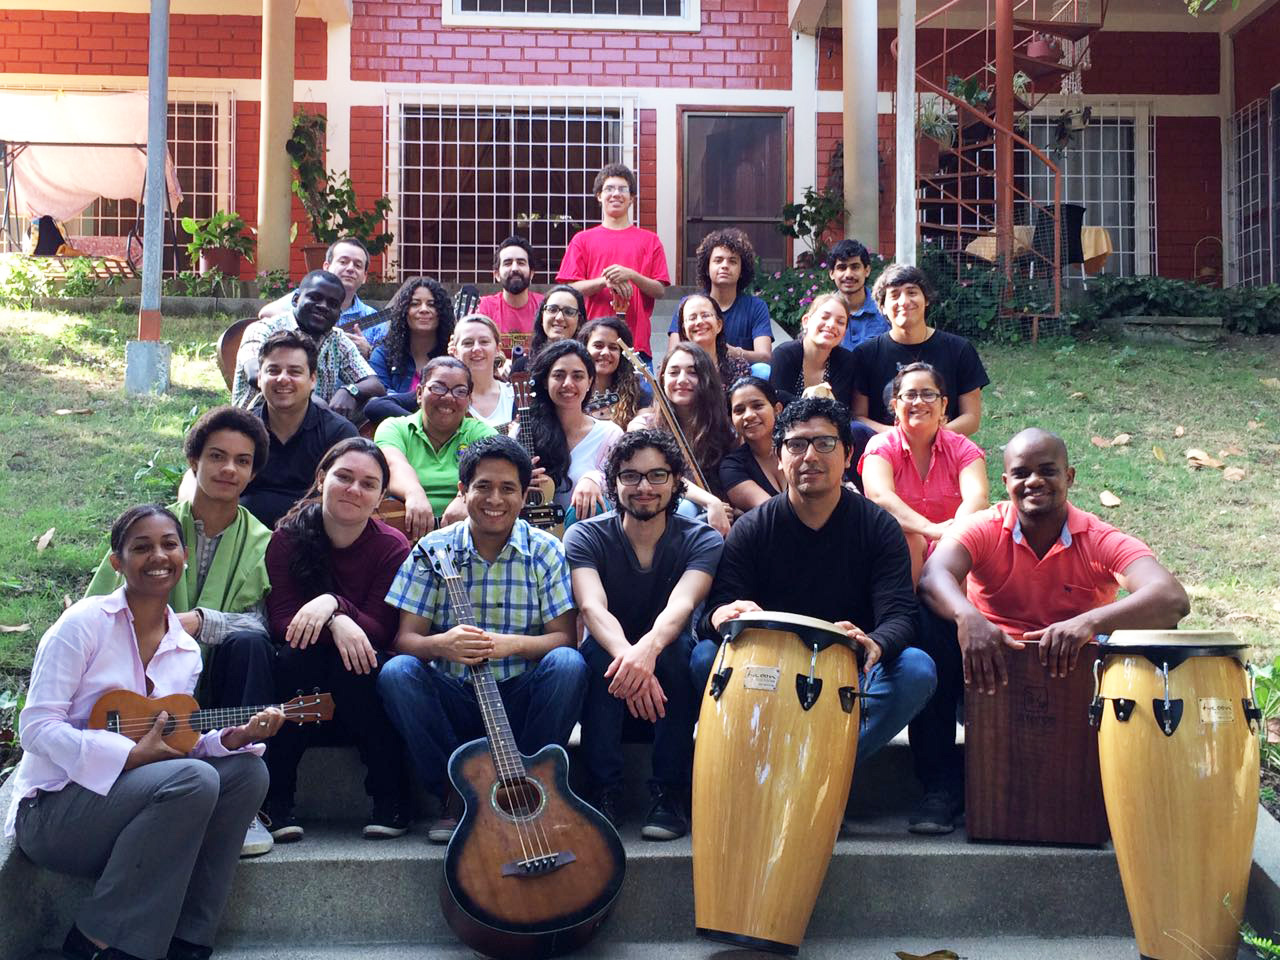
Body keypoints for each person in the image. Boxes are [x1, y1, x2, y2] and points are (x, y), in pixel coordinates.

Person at [8, 505, 282, 960]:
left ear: (185, 556)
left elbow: (174, 742)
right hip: (54, 813)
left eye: (169, 544)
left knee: (247, 773)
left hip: (133, 812)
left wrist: (231, 740)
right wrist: (127, 757)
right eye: (142, 547)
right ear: (117, 562)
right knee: (195, 780)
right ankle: (98, 938)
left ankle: (189, 936)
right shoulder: (83, 625)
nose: (158, 556)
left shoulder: (185, 649)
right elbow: (35, 728)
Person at [911, 427, 1190, 835]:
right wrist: (969, 618)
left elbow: (1171, 599)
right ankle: (941, 786)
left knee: (1146, 636)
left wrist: (1089, 622)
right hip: (989, 661)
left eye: (1048, 471)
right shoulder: (984, 527)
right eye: (1022, 473)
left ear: (1070, 477)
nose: (1034, 481)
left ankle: (1116, 787)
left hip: (1074, 671)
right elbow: (934, 576)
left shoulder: (1098, 537)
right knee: (932, 625)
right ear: (1005, 482)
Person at [692, 397, 937, 781]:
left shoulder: (878, 528)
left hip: (848, 669)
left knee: (916, 668)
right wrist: (720, 616)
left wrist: (874, 642)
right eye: (796, 445)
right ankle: (782, 771)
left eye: (824, 443)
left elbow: (899, 615)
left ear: (848, 453)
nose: (810, 456)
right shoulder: (754, 529)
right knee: (705, 658)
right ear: (778, 456)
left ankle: (818, 777)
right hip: (768, 673)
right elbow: (716, 613)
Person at [378, 436, 588, 843]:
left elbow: (564, 639)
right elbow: (405, 641)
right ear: (462, 491)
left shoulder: (545, 550)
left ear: (524, 496)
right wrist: (443, 644)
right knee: (397, 673)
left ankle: (528, 789)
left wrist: (507, 644)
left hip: (519, 699)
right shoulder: (432, 550)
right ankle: (455, 794)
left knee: (569, 667)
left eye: (508, 488)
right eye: (483, 487)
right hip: (455, 696)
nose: (495, 499)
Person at [89, 407, 279, 857]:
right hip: (142, 683)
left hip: (218, 679)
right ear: (194, 461)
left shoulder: (263, 542)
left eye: (242, 460)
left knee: (250, 644)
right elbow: (97, 607)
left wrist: (201, 621)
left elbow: (266, 625)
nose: (229, 469)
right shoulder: (151, 528)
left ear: (253, 473)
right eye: (217, 456)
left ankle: (245, 804)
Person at [566, 430, 722, 840]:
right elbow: (591, 607)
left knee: (680, 652)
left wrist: (648, 651)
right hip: (612, 670)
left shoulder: (701, 537)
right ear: (614, 482)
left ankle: (669, 792)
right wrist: (633, 659)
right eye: (631, 476)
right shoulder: (586, 535)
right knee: (598, 655)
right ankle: (604, 790)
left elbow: (682, 606)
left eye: (657, 476)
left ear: (675, 482)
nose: (644, 488)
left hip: (667, 669)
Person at [261, 438, 414, 843]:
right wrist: (335, 621)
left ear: (381, 496)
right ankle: (276, 800)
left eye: (368, 484)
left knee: (357, 663)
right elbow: (282, 623)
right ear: (322, 478)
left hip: (360, 681)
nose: (353, 489)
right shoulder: (288, 537)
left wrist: (333, 604)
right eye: (343, 477)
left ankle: (391, 797)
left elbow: (382, 629)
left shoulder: (391, 547)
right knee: (297, 658)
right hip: (304, 675)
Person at [859, 363, 989, 583]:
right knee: (909, 538)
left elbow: (977, 497)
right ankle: (907, 613)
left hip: (950, 546)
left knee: (958, 548)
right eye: (909, 395)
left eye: (928, 394)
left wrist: (951, 537)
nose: (918, 402)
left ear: (943, 404)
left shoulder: (962, 448)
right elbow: (880, 498)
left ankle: (954, 615)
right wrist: (930, 529)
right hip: (894, 552)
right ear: (895, 405)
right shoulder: (881, 446)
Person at [852, 264, 989, 442]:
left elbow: (971, 418)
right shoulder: (865, 354)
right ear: (882, 307)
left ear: (926, 300)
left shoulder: (959, 349)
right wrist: (899, 437)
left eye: (912, 292)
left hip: (945, 445)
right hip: (887, 448)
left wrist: (931, 437)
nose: (904, 301)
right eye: (894, 295)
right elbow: (858, 417)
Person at [239, 330, 359, 528]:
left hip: (313, 543)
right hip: (244, 541)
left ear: (313, 380)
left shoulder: (339, 434)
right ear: (259, 378)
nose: (283, 379)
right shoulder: (241, 430)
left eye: (294, 372)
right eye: (273, 371)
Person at [232, 269, 385, 420]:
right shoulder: (264, 330)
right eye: (315, 297)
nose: (323, 306)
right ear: (295, 299)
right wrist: (310, 401)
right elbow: (254, 374)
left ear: (339, 314)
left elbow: (375, 384)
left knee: (376, 406)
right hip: (254, 427)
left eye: (332, 304)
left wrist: (350, 390)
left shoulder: (338, 339)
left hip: (316, 427)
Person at [374, 357, 497, 541]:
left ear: (469, 400)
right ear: (419, 393)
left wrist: (466, 499)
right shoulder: (394, 428)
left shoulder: (480, 432)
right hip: (405, 535)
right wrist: (414, 493)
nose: (448, 397)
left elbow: (493, 471)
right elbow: (393, 465)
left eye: (460, 391)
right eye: (438, 387)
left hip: (470, 536)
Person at [557, 163, 669, 359]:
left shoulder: (650, 240)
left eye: (622, 189)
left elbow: (659, 290)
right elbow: (569, 290)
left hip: (637, 344)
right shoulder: (582, 240)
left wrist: (632, 275)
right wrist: (604, 281)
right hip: (591, 343)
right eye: (609, 189)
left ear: (632, 198)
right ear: (599, 196)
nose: (616, 194)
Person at [628, 342, 734, 536]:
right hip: (662, 515)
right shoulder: (643, 427)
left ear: (706, 379)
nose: (682, 380)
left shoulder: (724, 430)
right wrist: (710, 502)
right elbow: (664, 477)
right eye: (674, 372)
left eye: (692, 372)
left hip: (713, 520)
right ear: (661, 379)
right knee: (685, 508)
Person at [525, 339, 623, 521]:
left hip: (588, 537)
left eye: (577, 376)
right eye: (559, 375)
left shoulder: (610, 434)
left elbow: (622, 485)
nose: (568, 383)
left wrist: (594, 479)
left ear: (589, 382)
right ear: (545, 381)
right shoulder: (524, 431)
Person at [666, 229, 773, 367]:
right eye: (718, 260)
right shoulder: (689, 305)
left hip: (742, 381)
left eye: (732, 261)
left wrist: (734, 352)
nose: (724, 266)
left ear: (742, 270)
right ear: (707, 268)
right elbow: (674, 352)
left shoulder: (756, 307)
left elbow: (764, 356)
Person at [258, 237, 383, 354]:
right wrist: (310, 333)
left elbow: (389, 363)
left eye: (358, 265)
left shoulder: (374, 319)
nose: (350, 268)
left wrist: (369, 351)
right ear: (326, 267)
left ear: (365, 276)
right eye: (343, 262)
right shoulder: (306, 297)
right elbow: (266, 313)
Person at [363, 277, 456, 424]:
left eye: (432, 304)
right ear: (404, 311)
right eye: (415, 304)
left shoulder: (453, 355)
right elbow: (379, 403)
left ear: (442, 312)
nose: (424, 309)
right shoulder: (384, 354)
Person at [768, 292, 858, 408]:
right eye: (825, 317)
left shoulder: (846, 361)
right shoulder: (785, 355)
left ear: (844, 332)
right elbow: (778, 404)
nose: (831, 325)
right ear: (806, 321)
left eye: (840, 322)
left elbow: (841, 410)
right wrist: (811, 401)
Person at [720, 376, 785, 513]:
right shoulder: (732, 467)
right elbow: (774, 513)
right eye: (739, 410)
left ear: (777, 409)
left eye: (757, 406)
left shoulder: (801, 448)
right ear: (731, 420)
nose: (748, 415)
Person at [579, 315, 651, 428]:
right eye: (598, 346)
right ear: (584, 349)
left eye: (613, 347)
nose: (605, 352)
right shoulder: (572, 392)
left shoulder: (640, 397)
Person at [675, 294, 751, 400]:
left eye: (705, 315)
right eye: (692, 318)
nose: (699, 322)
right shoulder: (674, 369)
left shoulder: (738, 367)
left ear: (719, 325)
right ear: (684, 330)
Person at [451, 313, 515, 428]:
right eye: (468, 343)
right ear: (455, 352)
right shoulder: (448, 399)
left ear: (497, 349)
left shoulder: (515, 395)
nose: (476, 349)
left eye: (484, 342)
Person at [511, 283, 586, 374]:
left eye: (569, 312)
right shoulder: (521, 367)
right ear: (542, 316)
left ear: (579, 321)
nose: (559, 318)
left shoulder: (588, 365)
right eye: (552, 309)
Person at [828, 238, 889, 350]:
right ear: (832, 274)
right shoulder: (823, 314)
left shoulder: (885, 311)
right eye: (842, 268)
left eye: (855, 267)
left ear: (867, 271)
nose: (848, 274)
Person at [477, 235, 544, 334]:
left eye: (521, 263)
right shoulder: (484, 307)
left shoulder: (545, 306)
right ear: (497, 274)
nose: (514, 268)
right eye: (507, 263)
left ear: (531, 273)